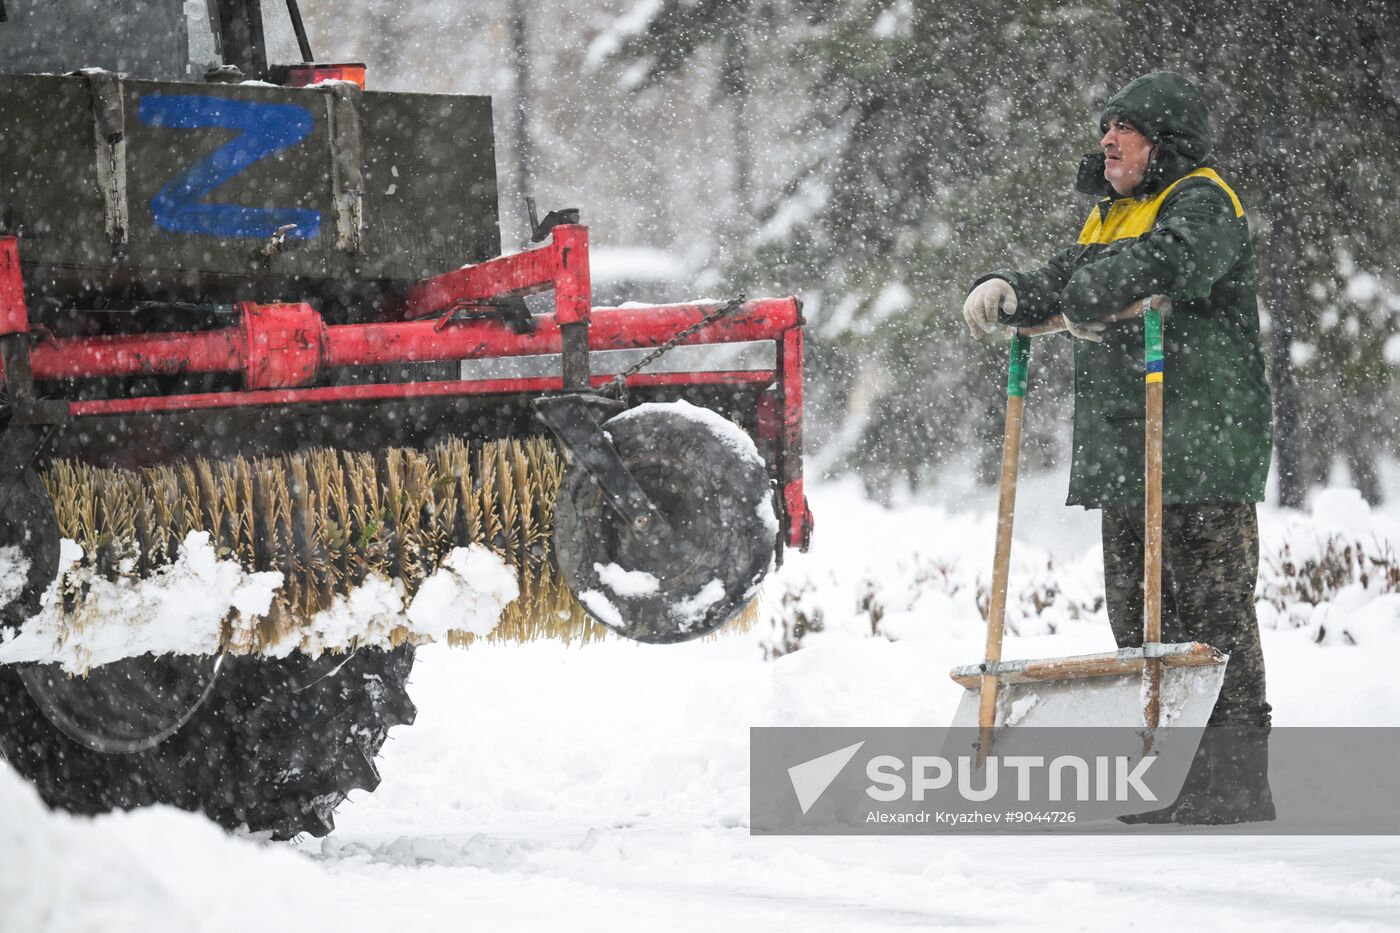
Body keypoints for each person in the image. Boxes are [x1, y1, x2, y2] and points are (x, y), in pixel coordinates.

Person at [961, 71, 1275, 823]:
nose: (1107, 138)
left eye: (1125, 128)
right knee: (1139, 616)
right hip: (1130, 448)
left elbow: (1165, 265)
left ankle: (1233, 779)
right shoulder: (1112, 215)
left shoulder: (1202, 200)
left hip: (1198, 442)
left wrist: (1083, 293)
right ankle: (1177, 770)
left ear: (1162, 143)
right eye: (1106, 125)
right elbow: (1075, 274)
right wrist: (1012, 286)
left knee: (1213, 613)